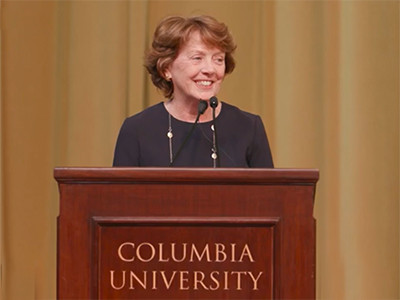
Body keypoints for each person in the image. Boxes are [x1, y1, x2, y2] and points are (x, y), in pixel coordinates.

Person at [113, 15, 273, 168]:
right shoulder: (137, 130)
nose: (210, 69)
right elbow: (120, 195)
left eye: (218, 59)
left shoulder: (248, 128)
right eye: (197, 58)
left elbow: (269, 195)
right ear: (166, 68)